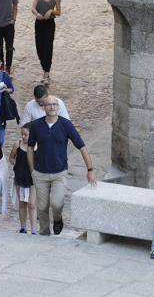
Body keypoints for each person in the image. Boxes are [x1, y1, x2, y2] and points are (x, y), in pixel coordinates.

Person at [27, 96, 96, 235]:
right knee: (42, 207)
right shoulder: (36, 125)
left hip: (59, 172)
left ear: (58, 107)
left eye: (54, 104)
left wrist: (90, 169)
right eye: (49, 105)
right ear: (43, 107)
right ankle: (44, 233)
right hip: (40, 172)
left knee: (57, 203)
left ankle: (58, 219)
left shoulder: (66, 125)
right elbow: (30, 147)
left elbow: (81, 146)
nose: (52, 107)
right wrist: (32, 170)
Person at [31, 0, 61, 85]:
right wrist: (37, 13)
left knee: (48, 48)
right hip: (39, 23)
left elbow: (59, 12)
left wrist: (51, 11)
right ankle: (44, 68)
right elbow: (33, 7)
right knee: (39, 47)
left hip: (49, 25)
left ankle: (46, 73)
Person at [9, 123, 37, 235]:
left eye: (25, 135)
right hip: (20, 177)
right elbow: (11, 158)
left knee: (32, 203)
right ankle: (23, 227)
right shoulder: (18, 144)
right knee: (22, 203)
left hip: (33, 178)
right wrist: (17, 165)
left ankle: (34, 229)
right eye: (22, 134)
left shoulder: (37, 146)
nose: (23, 137)